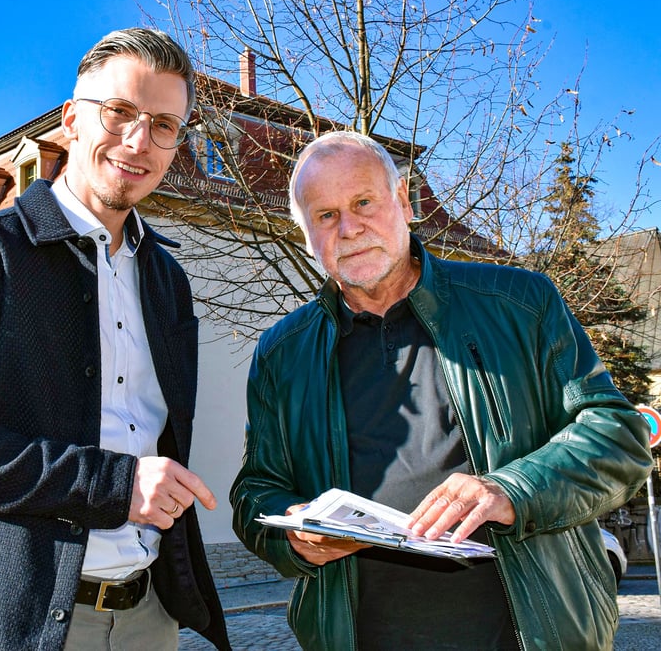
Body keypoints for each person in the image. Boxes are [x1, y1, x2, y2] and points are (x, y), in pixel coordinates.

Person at [230, 130, 653, 650]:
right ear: (307, 235)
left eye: (363, 201)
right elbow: (256, 491)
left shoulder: (519, 304)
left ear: (404, 200)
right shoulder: (282, 352)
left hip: (530, 635)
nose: (349, 228)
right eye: (325, 216)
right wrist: (293, 534)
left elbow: (618, 434)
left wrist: (511, 489)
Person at [0, 28, 230, 651]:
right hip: (14, 622)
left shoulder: (168, 278)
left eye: (163, 124)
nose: (138, 141)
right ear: (72, 121)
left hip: (147, 615)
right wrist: (114, 486)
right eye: (120, 112)